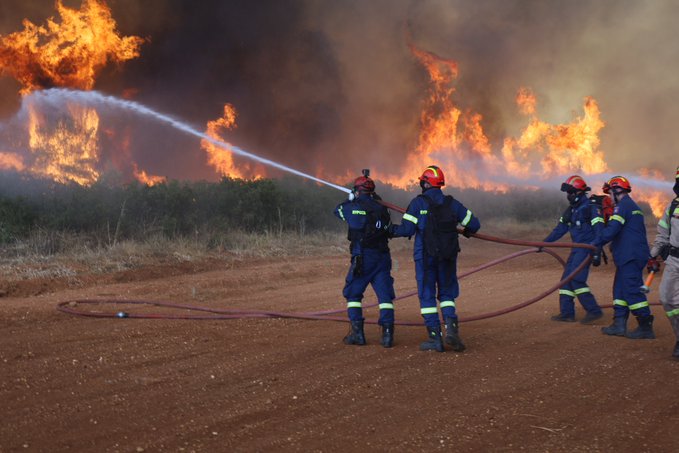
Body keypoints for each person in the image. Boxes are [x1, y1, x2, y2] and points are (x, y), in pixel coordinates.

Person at [390, 165, 480, 352]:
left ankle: (435, 338)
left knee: (427, 294)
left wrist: (388, 230)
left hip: (425, 257)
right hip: (447, 256)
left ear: (425, 183)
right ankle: (452, 331)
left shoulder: (418, 203)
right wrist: (468, 231)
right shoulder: (452, 203)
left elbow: (406, 230)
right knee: (447, 294)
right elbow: (474, 223)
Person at [334, 170, 396, 348]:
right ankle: (387, 336)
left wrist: (350, 199)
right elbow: (388, 227)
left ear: (357, 190)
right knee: (385, 296)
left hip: (364, 259)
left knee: (353, 293)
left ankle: (357, 334)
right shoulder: (382, 208)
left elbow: (337, 211)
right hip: (383, 257)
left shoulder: (353, 207)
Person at [593, 176, 655, 339]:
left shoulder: (623, 207)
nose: (609, 198)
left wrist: (595, 242)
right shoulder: (630, 206)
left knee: (632, 291)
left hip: (630, 256)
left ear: (616, 191)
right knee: (620, 289)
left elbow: (612, 230)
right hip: (628, 255)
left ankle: (645, 326)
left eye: (609, 193)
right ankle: (619, 324)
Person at [543, 175, 604, 323]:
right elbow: (560, 229)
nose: (568, 196)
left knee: (577, 280)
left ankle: (594, 311)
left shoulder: (591, 208)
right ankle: (567, 313)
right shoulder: (571, 210)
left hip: (586, 249)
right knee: (565, 280)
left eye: (570, 192)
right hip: (575, 249)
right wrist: (544, 243)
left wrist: (596, 251)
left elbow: (599, 231)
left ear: (578, 193)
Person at [647, 165, 679, 358]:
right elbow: (662, 235)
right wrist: (653, 255)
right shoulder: (673, 206)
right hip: (674, 260)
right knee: (667, 299)